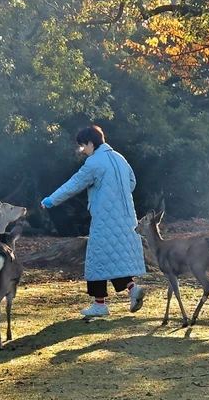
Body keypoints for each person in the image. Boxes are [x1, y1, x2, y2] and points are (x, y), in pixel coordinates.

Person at [41, 125, 147, 317]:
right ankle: (133, 289)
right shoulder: (120, 158)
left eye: (83, 146)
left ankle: (100, 305)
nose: (83, 150)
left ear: (91, 143)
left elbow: (73, 185)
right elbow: (132, 182)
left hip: (105, 219)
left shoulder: (94, 163)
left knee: (97, 260)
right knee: (112, 257)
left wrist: (51, 200)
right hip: (127, 218)